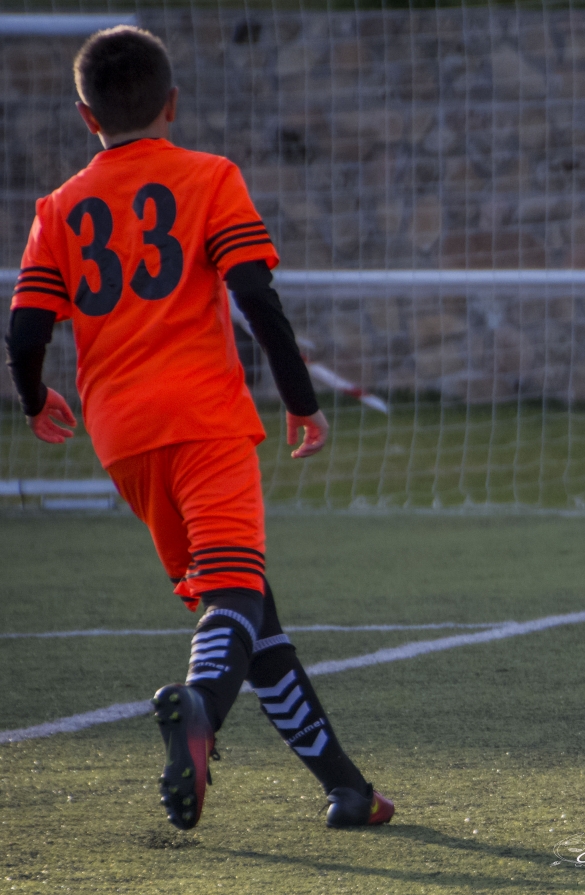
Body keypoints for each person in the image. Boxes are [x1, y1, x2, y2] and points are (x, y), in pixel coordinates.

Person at [4, 26, 393, 831]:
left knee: (248, 610)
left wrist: (34, 398)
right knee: (234, 597)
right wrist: (301, 399)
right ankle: (199, 712)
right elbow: (254, 295)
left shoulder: (58, 208)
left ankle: (348, 789)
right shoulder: (209, 177)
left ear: (86, 117)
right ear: (172, 103)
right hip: (203, 419)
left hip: (123, 438)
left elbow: (26, 327)